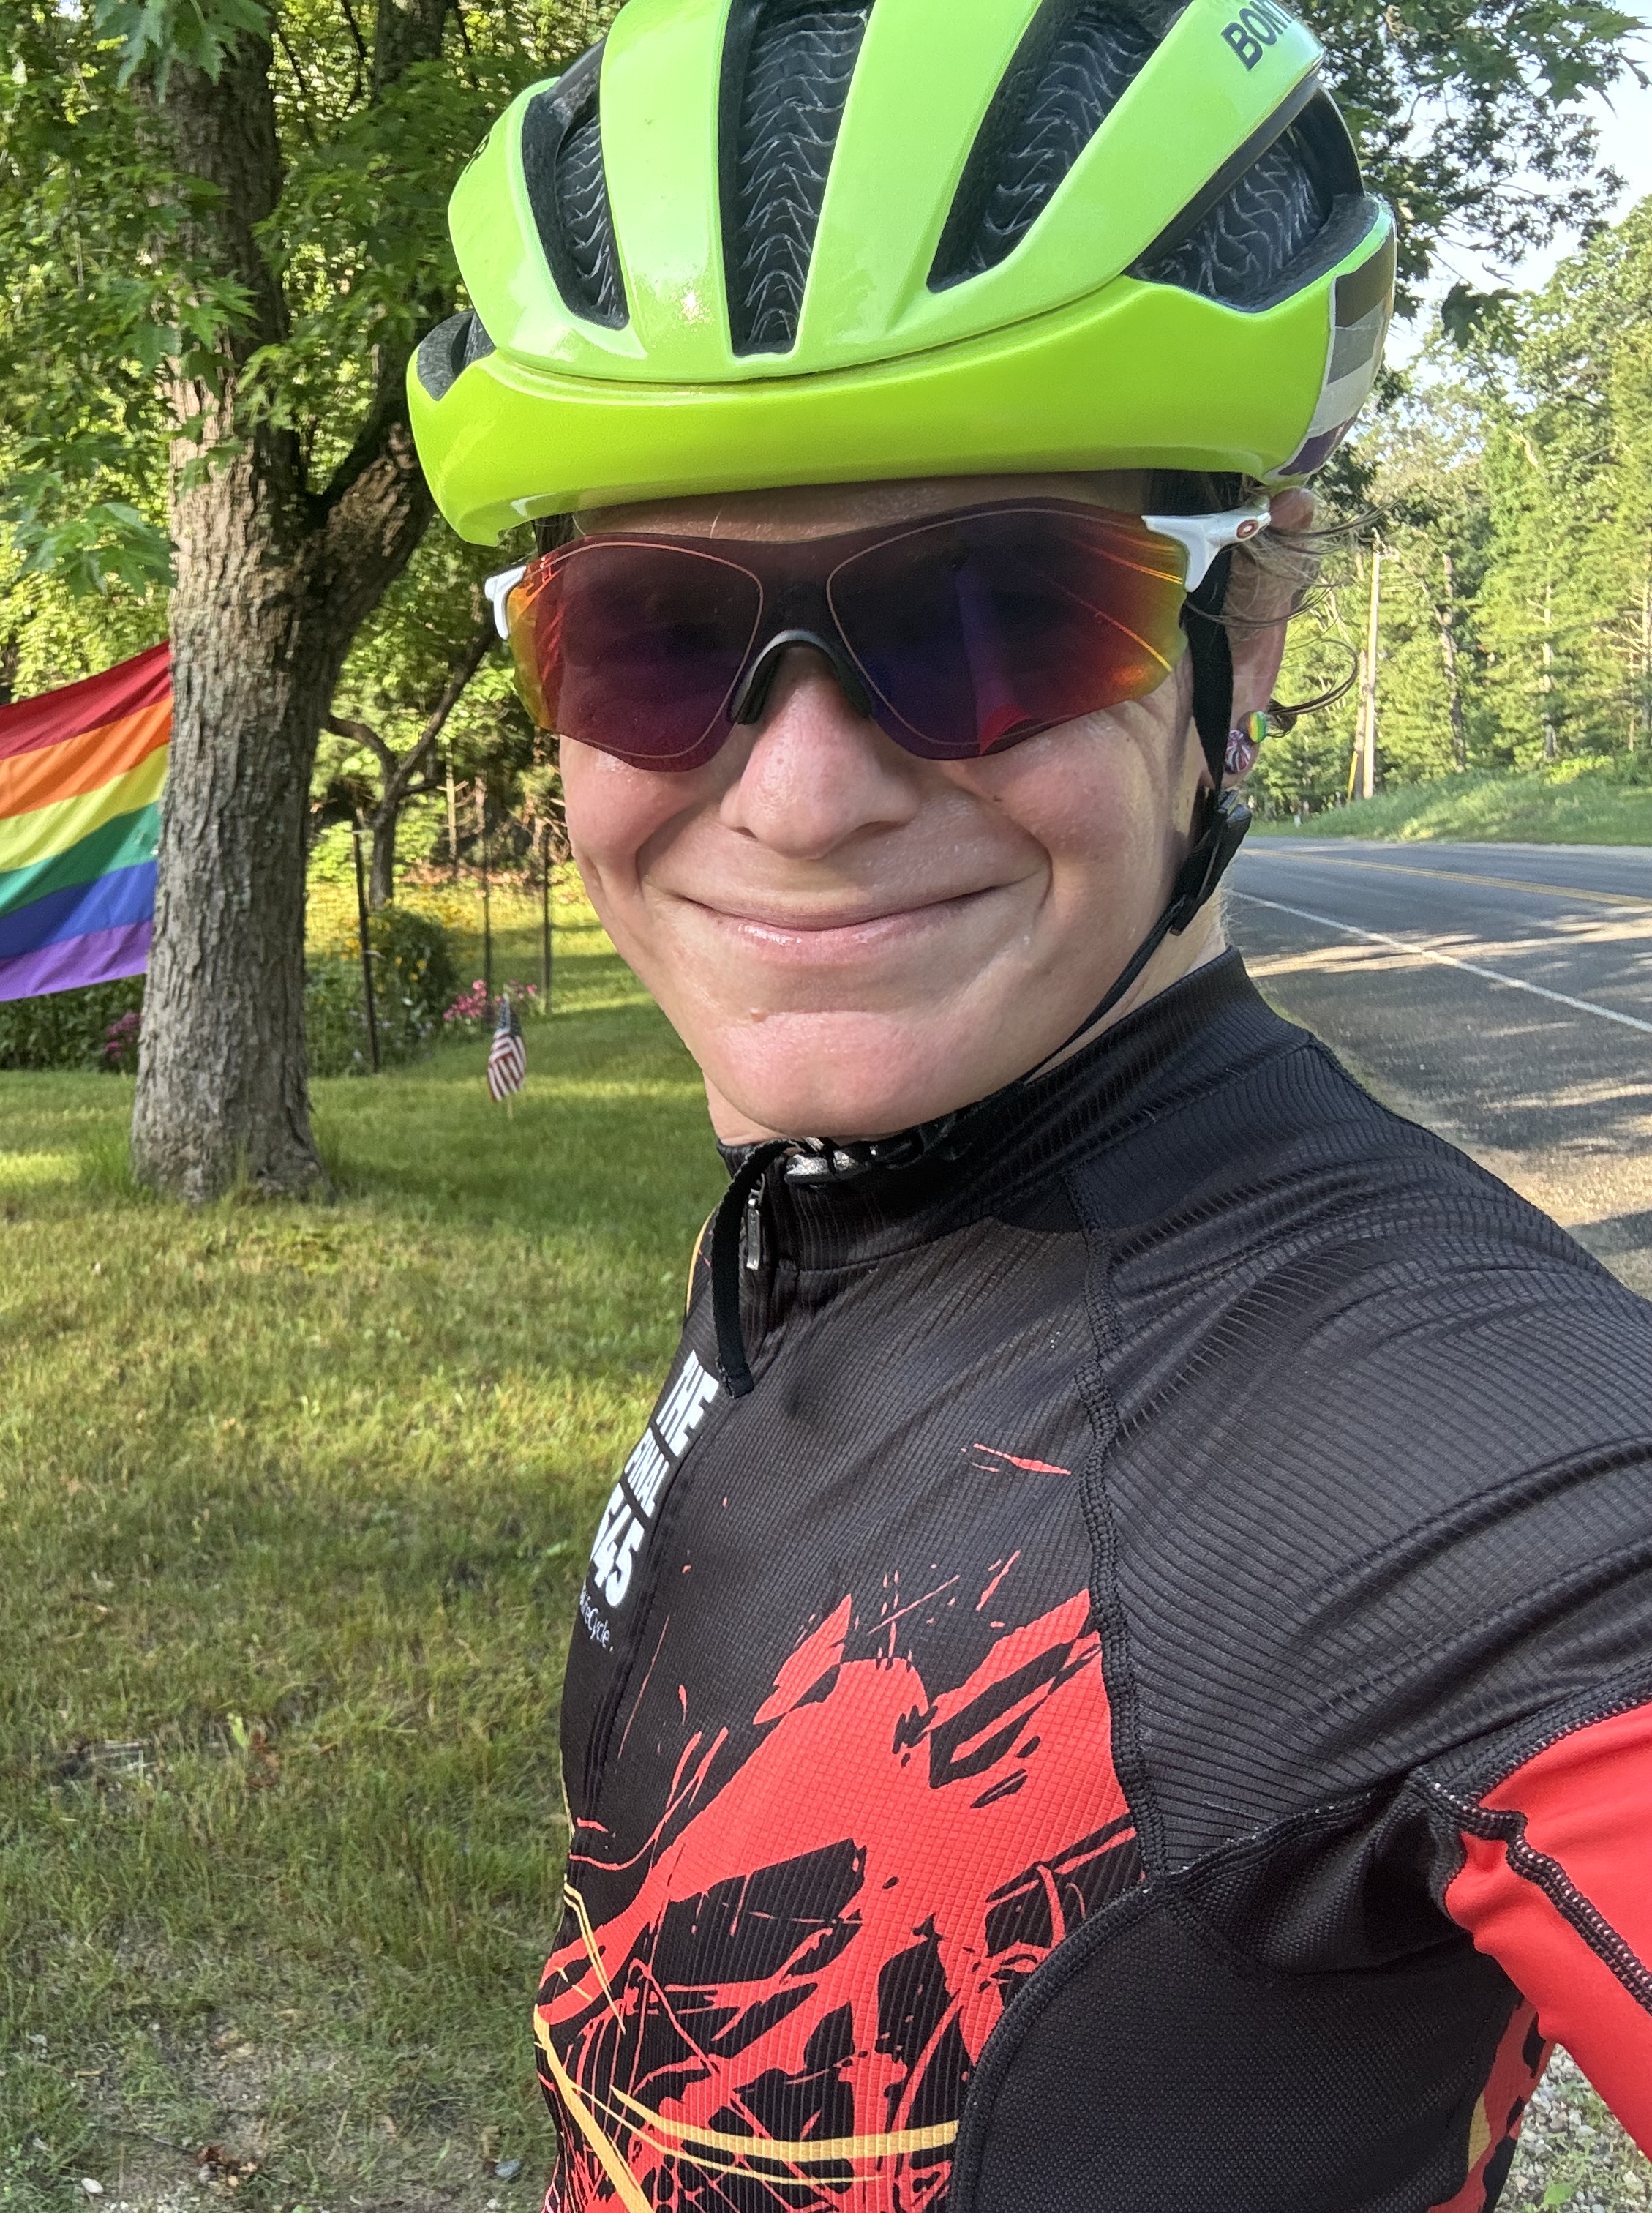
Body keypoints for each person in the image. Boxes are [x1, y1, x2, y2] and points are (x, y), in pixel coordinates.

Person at [404, 3, 1652, 2208]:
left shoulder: (1463, 1452)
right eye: (657, 638)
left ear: (1241, 644)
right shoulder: (854, 1200)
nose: (794, 798)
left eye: (990, 618)